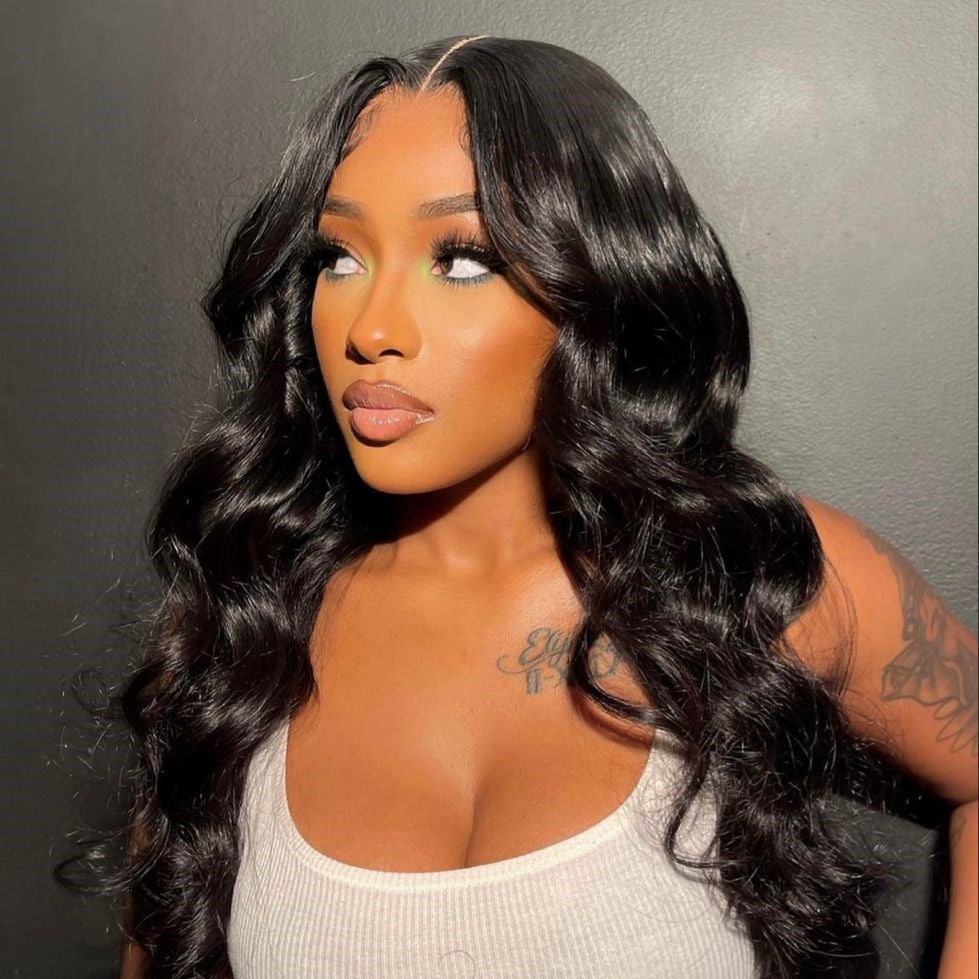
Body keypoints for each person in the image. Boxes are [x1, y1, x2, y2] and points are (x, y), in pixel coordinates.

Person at [66, 34, 975, 979]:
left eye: (461, 259)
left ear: (595, 281)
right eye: (338, 257)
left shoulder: (761, 577)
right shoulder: (243, 622)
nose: (371, 328)